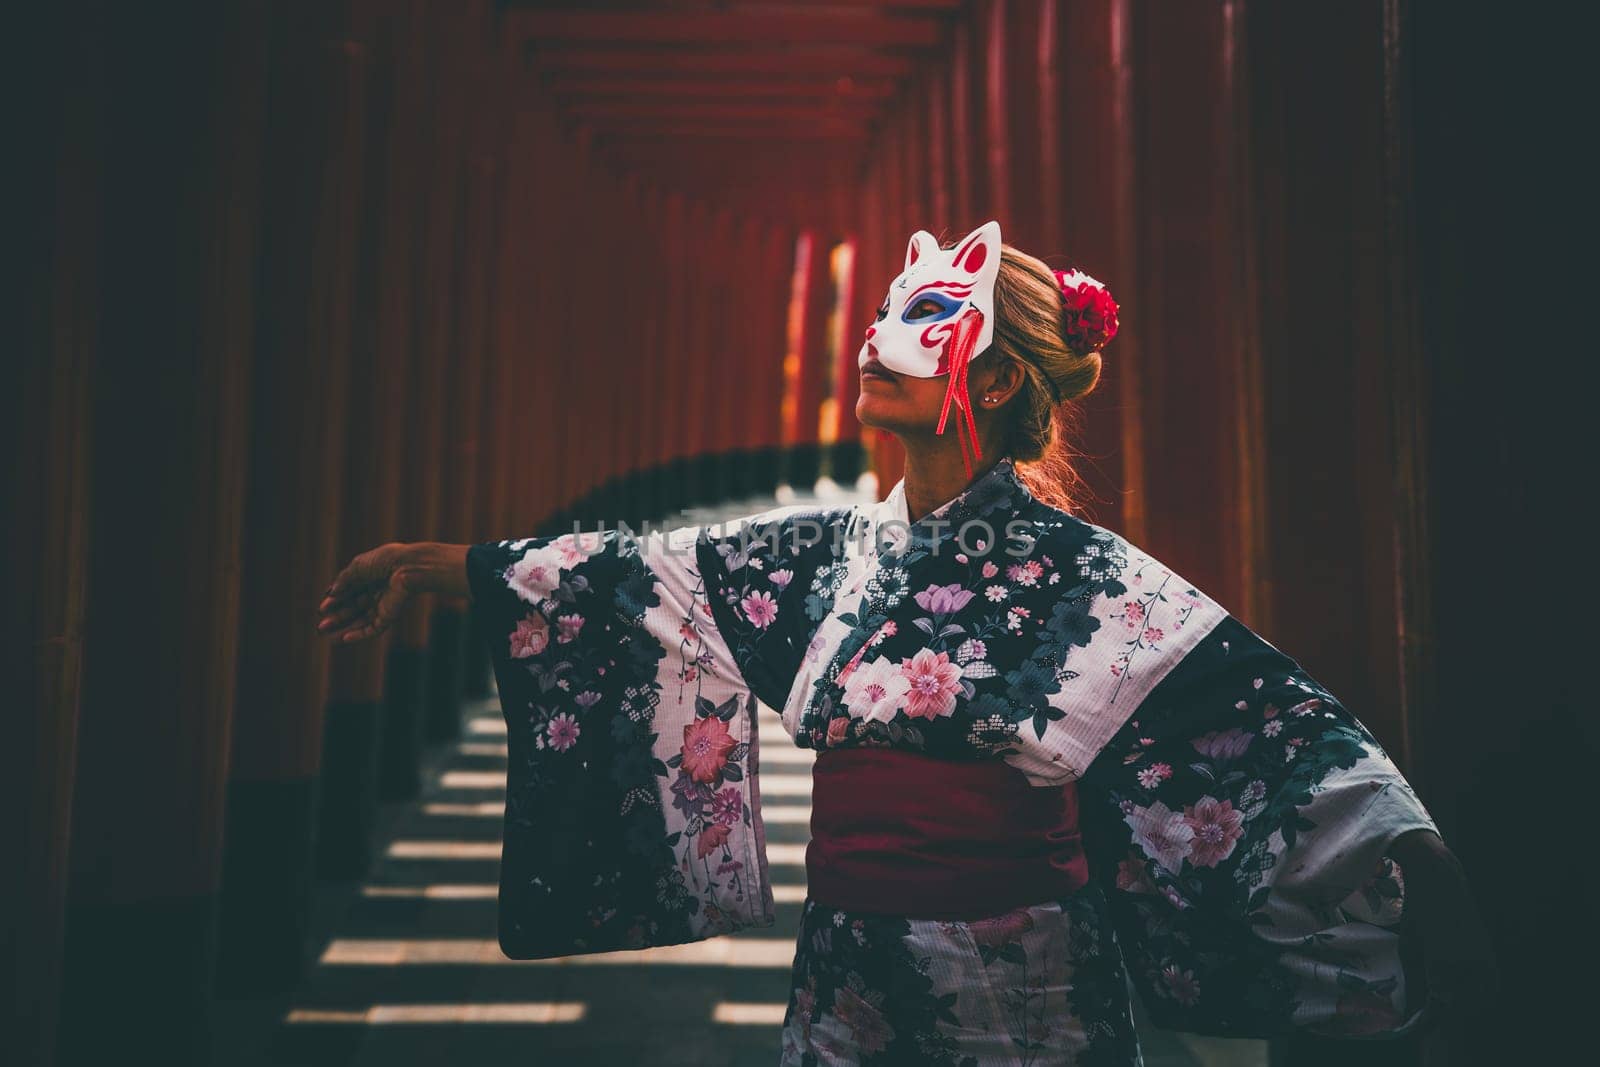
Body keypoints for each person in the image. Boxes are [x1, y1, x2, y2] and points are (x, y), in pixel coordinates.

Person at [317, 221, 1492, 1064]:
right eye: (882, 316)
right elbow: (641, 573)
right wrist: (433, 568)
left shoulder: (1086, 577)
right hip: (845, 973)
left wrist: (1418, 870)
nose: (876, 339)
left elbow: (1262, 725)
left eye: (918, 322)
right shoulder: (828, 554)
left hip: (1022, 984)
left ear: (985, 371)